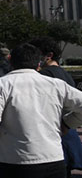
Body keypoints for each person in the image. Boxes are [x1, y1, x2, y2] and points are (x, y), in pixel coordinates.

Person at [0, 43, 82, 178]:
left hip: (14, 160)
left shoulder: (0, 85)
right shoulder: (56, 85)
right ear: (38, 63)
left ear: (10, 60)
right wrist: (67, 123)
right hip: (53, 158)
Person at [31, 37, 82, 177]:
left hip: (54, 136)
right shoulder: (64, 73)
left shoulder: (44, 76)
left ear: (49, 55)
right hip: (67, 133)